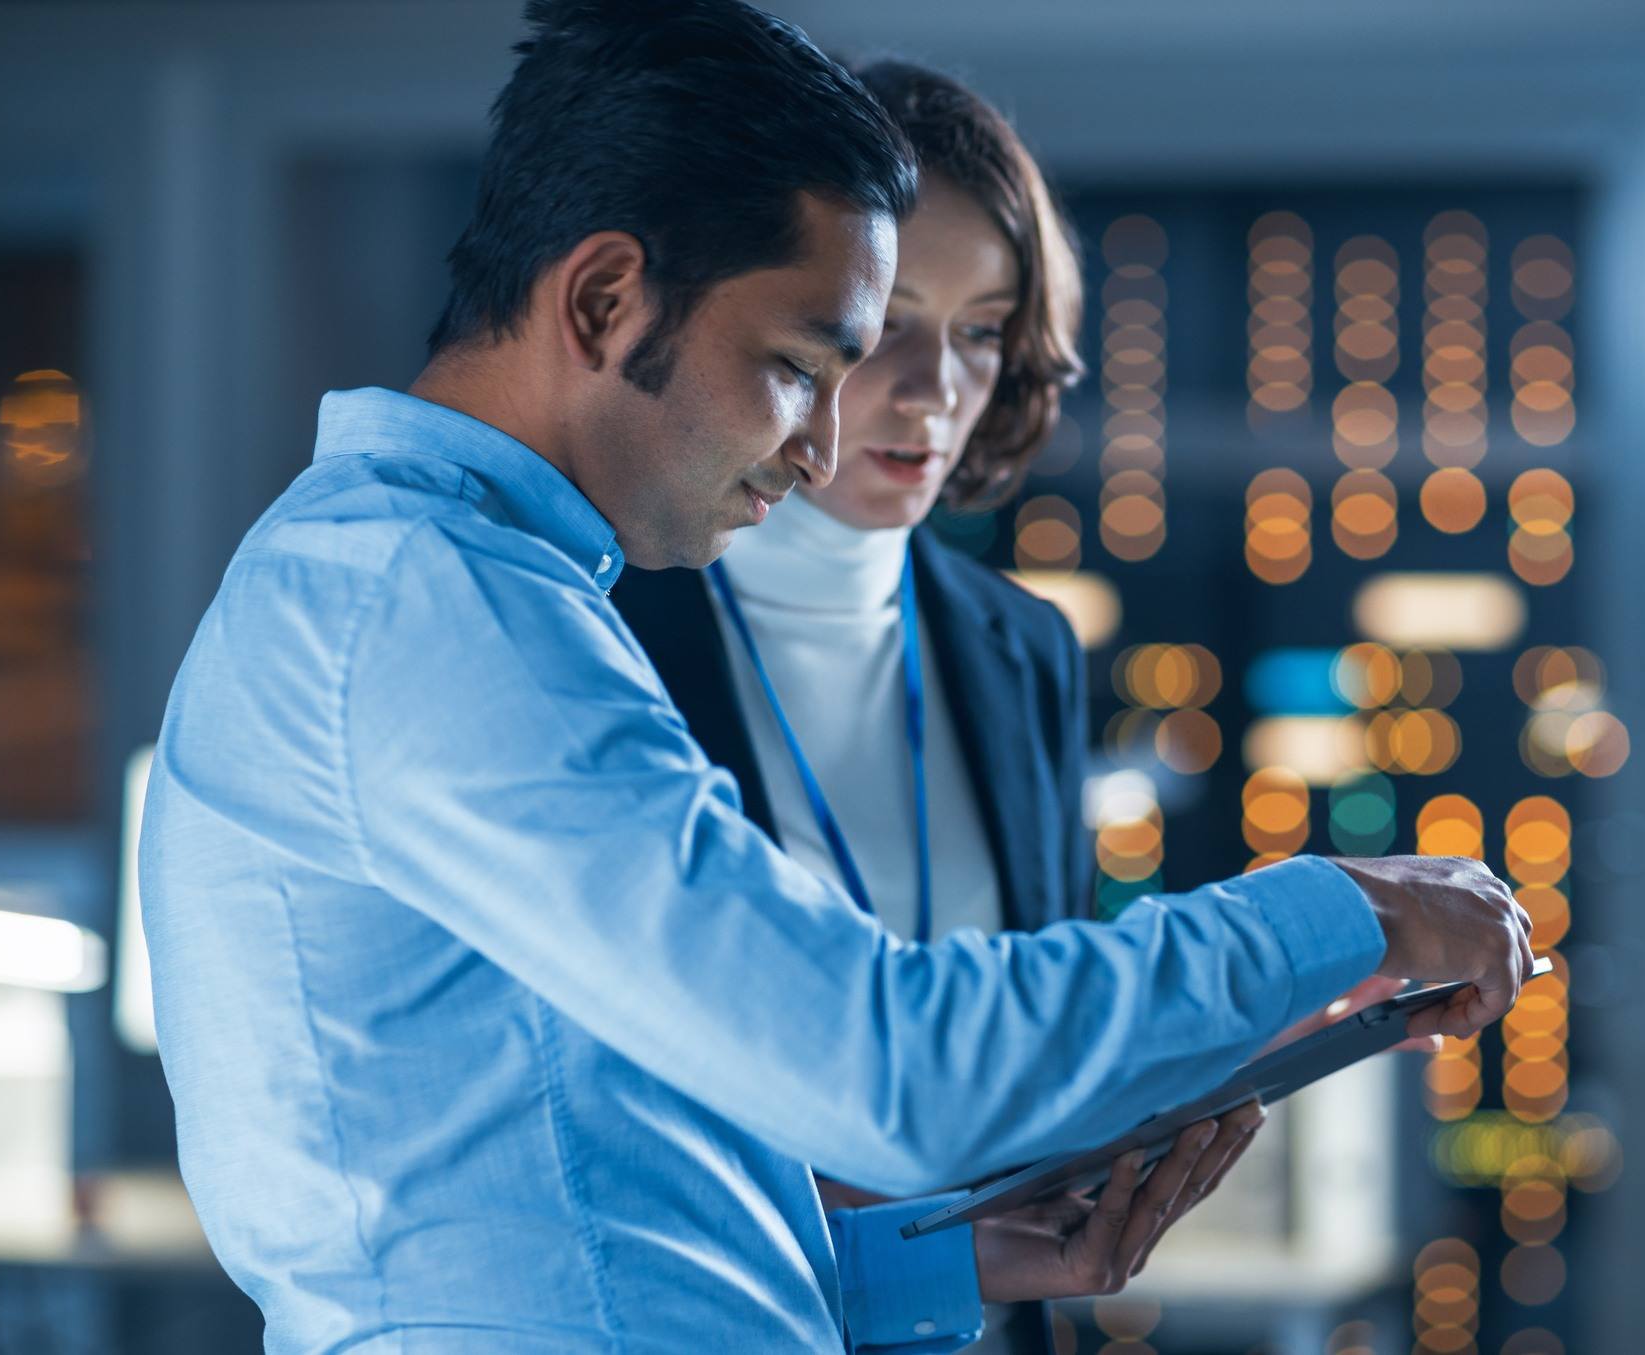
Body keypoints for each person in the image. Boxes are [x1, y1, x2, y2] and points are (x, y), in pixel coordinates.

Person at [138, 3, 1535, 1353]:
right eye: (799, 367)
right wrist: (1348, 910)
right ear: (607, 299)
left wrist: (910, 1267)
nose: (820, 450)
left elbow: (571, 1229)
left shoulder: (480, 594)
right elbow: (888, 1072)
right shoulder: (428, 607)